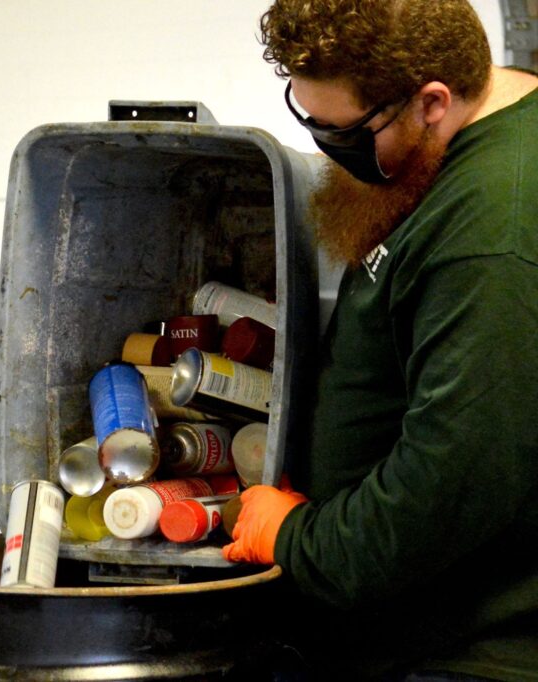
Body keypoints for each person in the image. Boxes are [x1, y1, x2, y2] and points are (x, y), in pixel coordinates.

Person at [221, 1, 538, 679]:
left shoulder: (492, 234)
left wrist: (296, 538)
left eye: (345, 133)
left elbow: (455, 480)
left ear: (431, 101)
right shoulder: (478, 126)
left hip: (461, 657)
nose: (329, 147)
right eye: (310, 120)